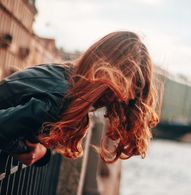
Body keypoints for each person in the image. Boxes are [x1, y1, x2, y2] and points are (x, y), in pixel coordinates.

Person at [0, 31, 159, 166]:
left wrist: (39, 152)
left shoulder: (66, 75)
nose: (127, 96)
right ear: (104, 73)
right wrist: (20, 149)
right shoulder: (60, 99)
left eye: (134, 90)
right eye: (122, 83)